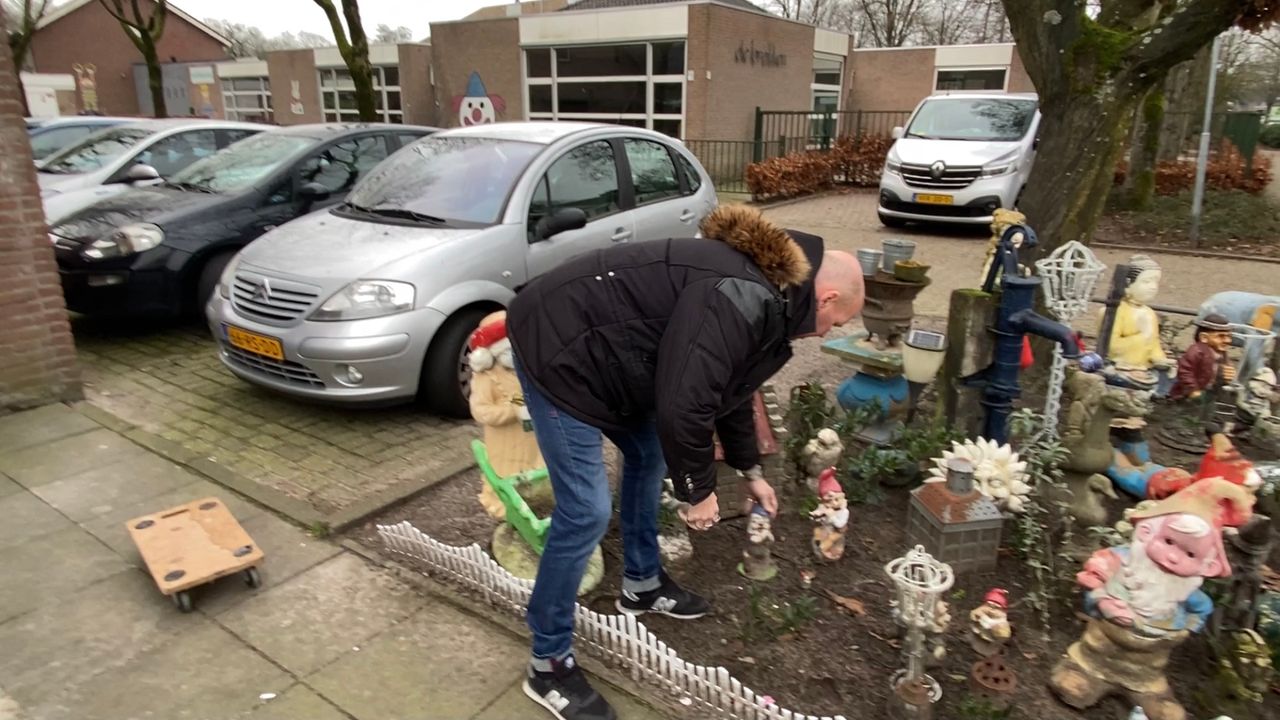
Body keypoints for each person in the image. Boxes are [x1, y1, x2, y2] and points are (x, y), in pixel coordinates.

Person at [506, 205, 864, 720]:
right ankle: (548, 662)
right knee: (585, 510)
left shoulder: (768, 296)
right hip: (558, 347)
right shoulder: (742, 292)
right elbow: (684, 402)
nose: (830, 332)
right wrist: (699, 491)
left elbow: (731, 389)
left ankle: (642, 583)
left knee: (648, 454)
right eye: (838, 322)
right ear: (825, 298)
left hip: (610, 352)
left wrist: (750, 472)